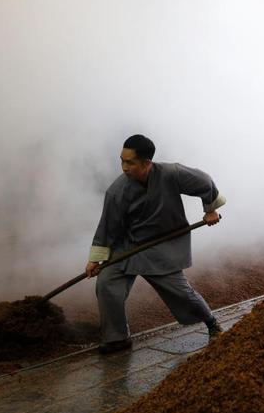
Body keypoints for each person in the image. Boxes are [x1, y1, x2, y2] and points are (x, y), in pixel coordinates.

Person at [85, 134, 226, 354]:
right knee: (106, 283)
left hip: (162, 245)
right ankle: (117, 338)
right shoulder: (116, 191)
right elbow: (108, 227)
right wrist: (95, 260)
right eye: (121, 160)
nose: (124, 167)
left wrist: (210, 210)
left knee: (180, 291)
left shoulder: (171, 174)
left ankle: (212, 324)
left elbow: (204, 182)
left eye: (130, 162)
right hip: (128, 246)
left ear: (147, 163)